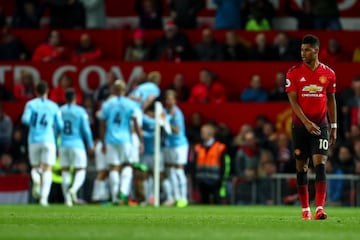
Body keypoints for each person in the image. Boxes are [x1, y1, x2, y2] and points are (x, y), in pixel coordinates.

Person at [285, 34, 337, 220]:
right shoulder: (293, 73)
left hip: (321, 126)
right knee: (302, 167)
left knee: (320, 164)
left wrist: (334, 126)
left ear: (316, 51)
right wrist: (306, 122)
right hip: (300, 127)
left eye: (307, 50)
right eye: (301, 50)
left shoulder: (328, 74)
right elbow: (292, 100)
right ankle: (305, 209)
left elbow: (331, 99)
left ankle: (320, 208)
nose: (303, 53)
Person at [97, 80, 143, 205]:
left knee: (113, 167)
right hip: (125, 139)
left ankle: (115, 196)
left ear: (113, 91)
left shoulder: (107, 104)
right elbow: (136, 124)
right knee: (127, 165)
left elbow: (102, 124)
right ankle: (123, 191)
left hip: (110, 139)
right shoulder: (130, 104)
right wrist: (140, 140)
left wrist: (103, 141)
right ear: (124, 91)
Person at [21, 81, 64, 206]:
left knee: (35, 167)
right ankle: (44, 199)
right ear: (47, 91)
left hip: (34, 139)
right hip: (49, 139)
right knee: (48, 169)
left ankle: (36, 180)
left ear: (36, 92)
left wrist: (35, 125)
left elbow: (25, 119)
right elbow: (60, 125)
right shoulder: (54, 106)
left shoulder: (30, 104)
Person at [59, 89, 94, 206]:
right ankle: (74, 189)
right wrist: (90, 144)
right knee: (81, 170)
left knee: (65, 170)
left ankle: (67, 200)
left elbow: (56, 128)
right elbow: (86, 130)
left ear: (65, 98)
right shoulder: (80, 111)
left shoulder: (60, 111)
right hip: (77, 145)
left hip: (63, 144)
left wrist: (55, 143)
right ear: (75, 98)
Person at [164, 90, 189, 207]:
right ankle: (175, 197)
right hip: (169, 144)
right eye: (167, 99)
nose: (168, 101)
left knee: (179, 170)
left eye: (170, 99)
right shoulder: (165, 112)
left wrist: (165, 123)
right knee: (171, 171)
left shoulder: (177, 113)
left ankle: (183, 198)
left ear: (175, 100)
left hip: (179, 145)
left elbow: (177, 130)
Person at [194, 123, 227, 204]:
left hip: (215, 180)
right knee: (203, 203)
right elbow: (194, 165)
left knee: (217, 201)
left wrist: (222, 179)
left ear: (211, 134)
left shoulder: (220, 147)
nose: (201, 134)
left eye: (203, 132)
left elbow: (224, 165)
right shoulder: (198, 147)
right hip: (201, 180)